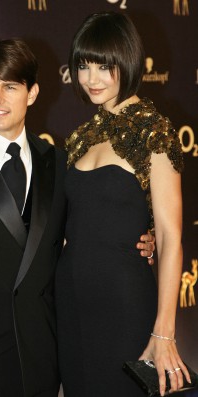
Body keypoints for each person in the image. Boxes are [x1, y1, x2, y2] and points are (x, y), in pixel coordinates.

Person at [0, 38, 154, 397]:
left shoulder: (60, 164)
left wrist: (145, 237)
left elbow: (88, 229)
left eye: (10, 87)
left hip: (37, 364)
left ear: (32, 93)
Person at [55, 11, 190, 397]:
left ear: (127, 62)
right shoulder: (81, 136)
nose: (91, 79)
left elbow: (168, 236)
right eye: (83, 66)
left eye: (104, 66)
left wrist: (164, 331)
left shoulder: (154, 129)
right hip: (72, 302)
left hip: (124, 303)